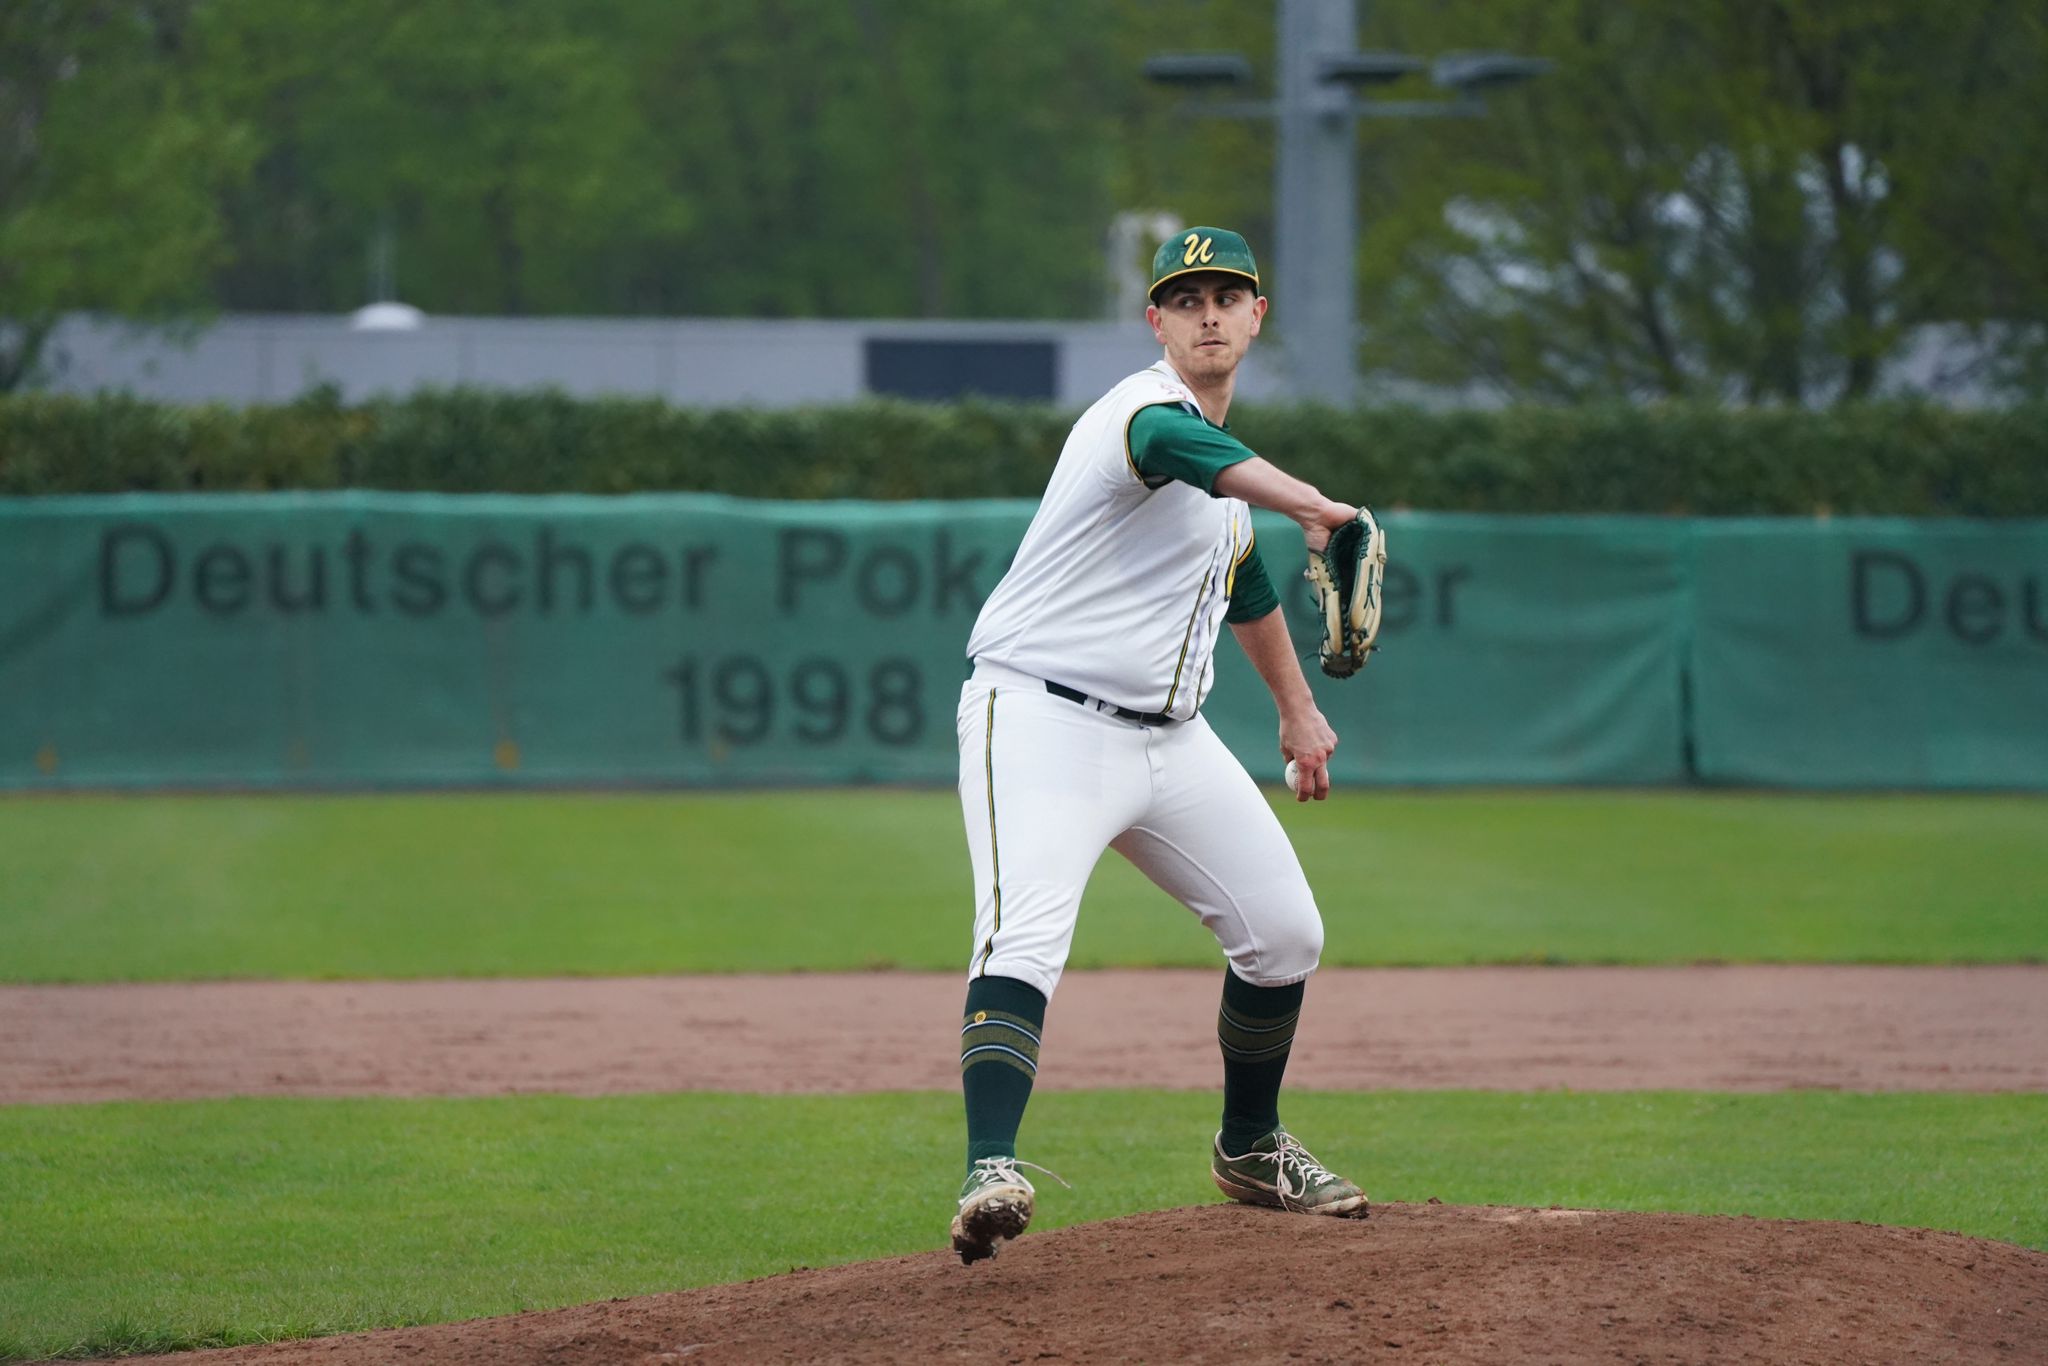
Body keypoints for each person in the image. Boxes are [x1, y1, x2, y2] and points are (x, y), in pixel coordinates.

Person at [950, 227, 1368, 1265]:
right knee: (1024, 936)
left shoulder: (1228, 481)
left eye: (1226, 296)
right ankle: (990, 1168)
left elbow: (1245, 583)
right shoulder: (1138, 415)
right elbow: (1187, 455)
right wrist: (1317, 506)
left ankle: (1250, 1146)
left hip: (1169, 741)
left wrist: (1296, 711)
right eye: (1186, 300)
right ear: (1156, 322)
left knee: (1284, 934)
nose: (1207, 314)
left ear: (1257, 316)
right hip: (1040, 719)